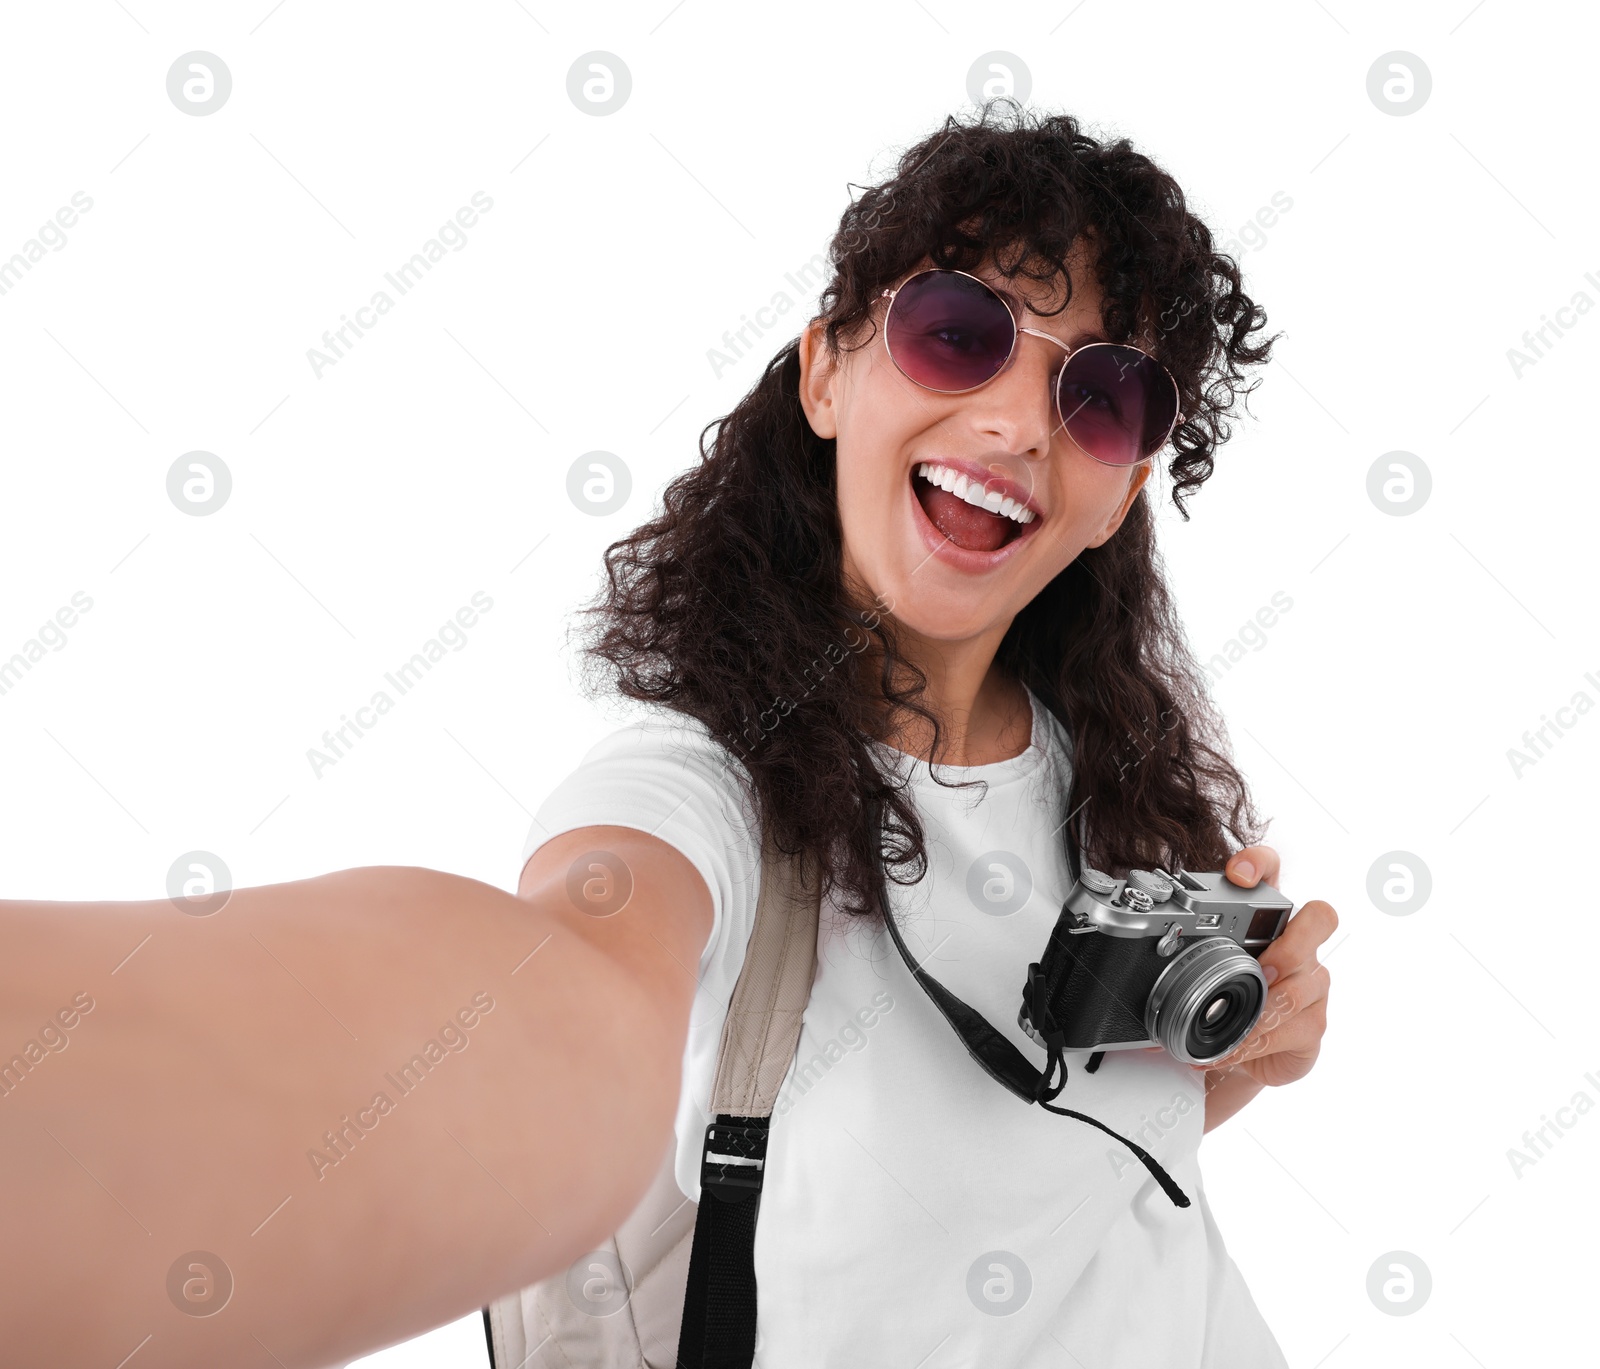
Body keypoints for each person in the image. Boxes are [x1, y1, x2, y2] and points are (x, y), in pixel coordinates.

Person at [0, 103, 1335, 1368]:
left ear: (1125, 494)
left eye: (1100, 396)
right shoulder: (695, 795)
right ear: (824, 372)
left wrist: (1229, 1048)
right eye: (954, 330)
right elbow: (551, 1004)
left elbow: (1060, 1185)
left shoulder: (1114, 786)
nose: (1013, 423)